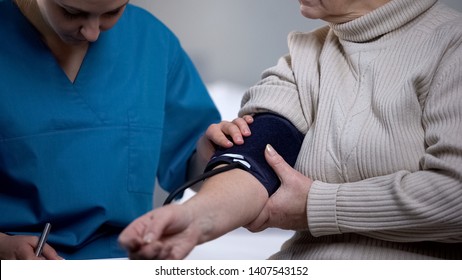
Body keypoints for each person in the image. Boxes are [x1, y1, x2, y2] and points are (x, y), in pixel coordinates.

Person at [119, 0, 462, 260]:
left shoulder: (451, 45)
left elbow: (455, 195)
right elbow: (252, 162)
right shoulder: (303, 56)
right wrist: (192, 219)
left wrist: (318, 205)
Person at [0, 0, 222, 260]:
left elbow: (189, 167)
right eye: (72, 12)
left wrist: (206, 158)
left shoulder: (150, 43)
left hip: (123, 260)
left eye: (113, 12)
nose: (92, 32)